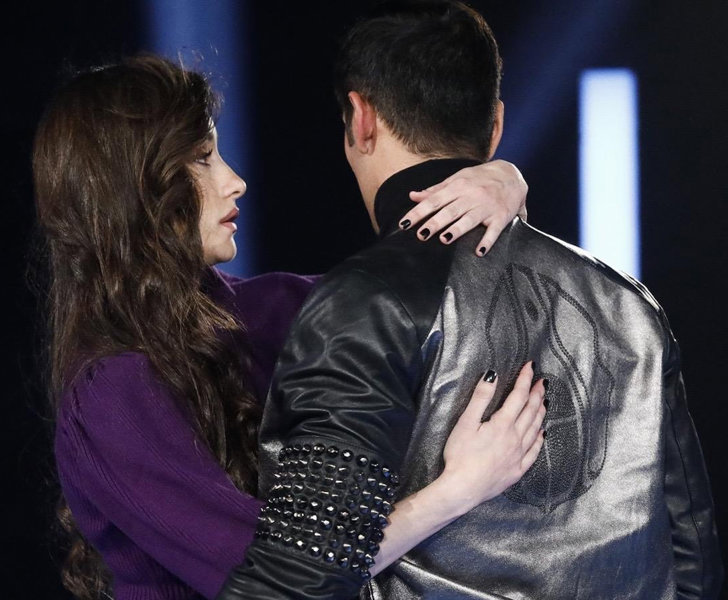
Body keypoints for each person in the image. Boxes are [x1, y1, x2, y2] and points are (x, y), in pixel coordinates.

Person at [219, 2, 723, 599]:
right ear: (497, 124)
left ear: (361, 118)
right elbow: (692, 557)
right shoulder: (628, 304)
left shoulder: (365, 301)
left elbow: (298, 578)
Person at [33, 54, 540, 599]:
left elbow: (442, 305)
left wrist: (502, 183)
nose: (235, 181)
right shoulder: (111, 392)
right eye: (202, 159)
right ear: (133, 188)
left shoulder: (267, 310)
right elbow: (278, 578)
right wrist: (457, 489)